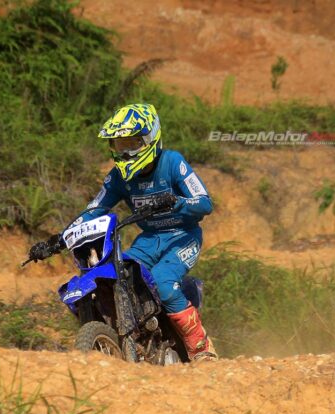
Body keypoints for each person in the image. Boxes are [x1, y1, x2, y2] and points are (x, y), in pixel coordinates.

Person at [31, 103, 217, 361]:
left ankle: (202, 349)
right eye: (119, 145)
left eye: (132, 143)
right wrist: (58, 240)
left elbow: (205, 203)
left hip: (182, 237)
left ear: (150, 138)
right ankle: (134, 337)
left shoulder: (172, 162)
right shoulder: (119, 177)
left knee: (163, 282)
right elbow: (94, 209)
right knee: (122, 273)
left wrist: (177, 202)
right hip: (149, 240)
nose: (126, 152)